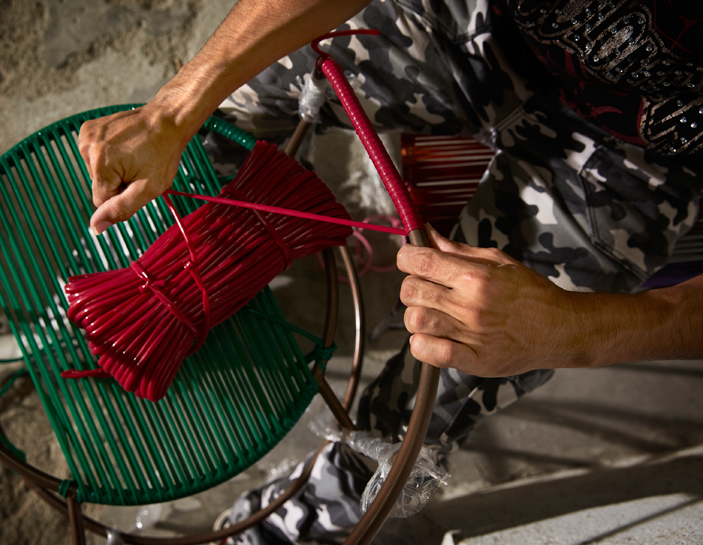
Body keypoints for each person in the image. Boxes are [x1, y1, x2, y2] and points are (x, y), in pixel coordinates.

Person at [78, 0, 703, 542]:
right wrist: (173, 110)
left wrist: (579, 330)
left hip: (642, 157)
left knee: (449, 365)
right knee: (223, 109)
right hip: (487, 23)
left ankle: (299, 522)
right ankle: (130, 299)